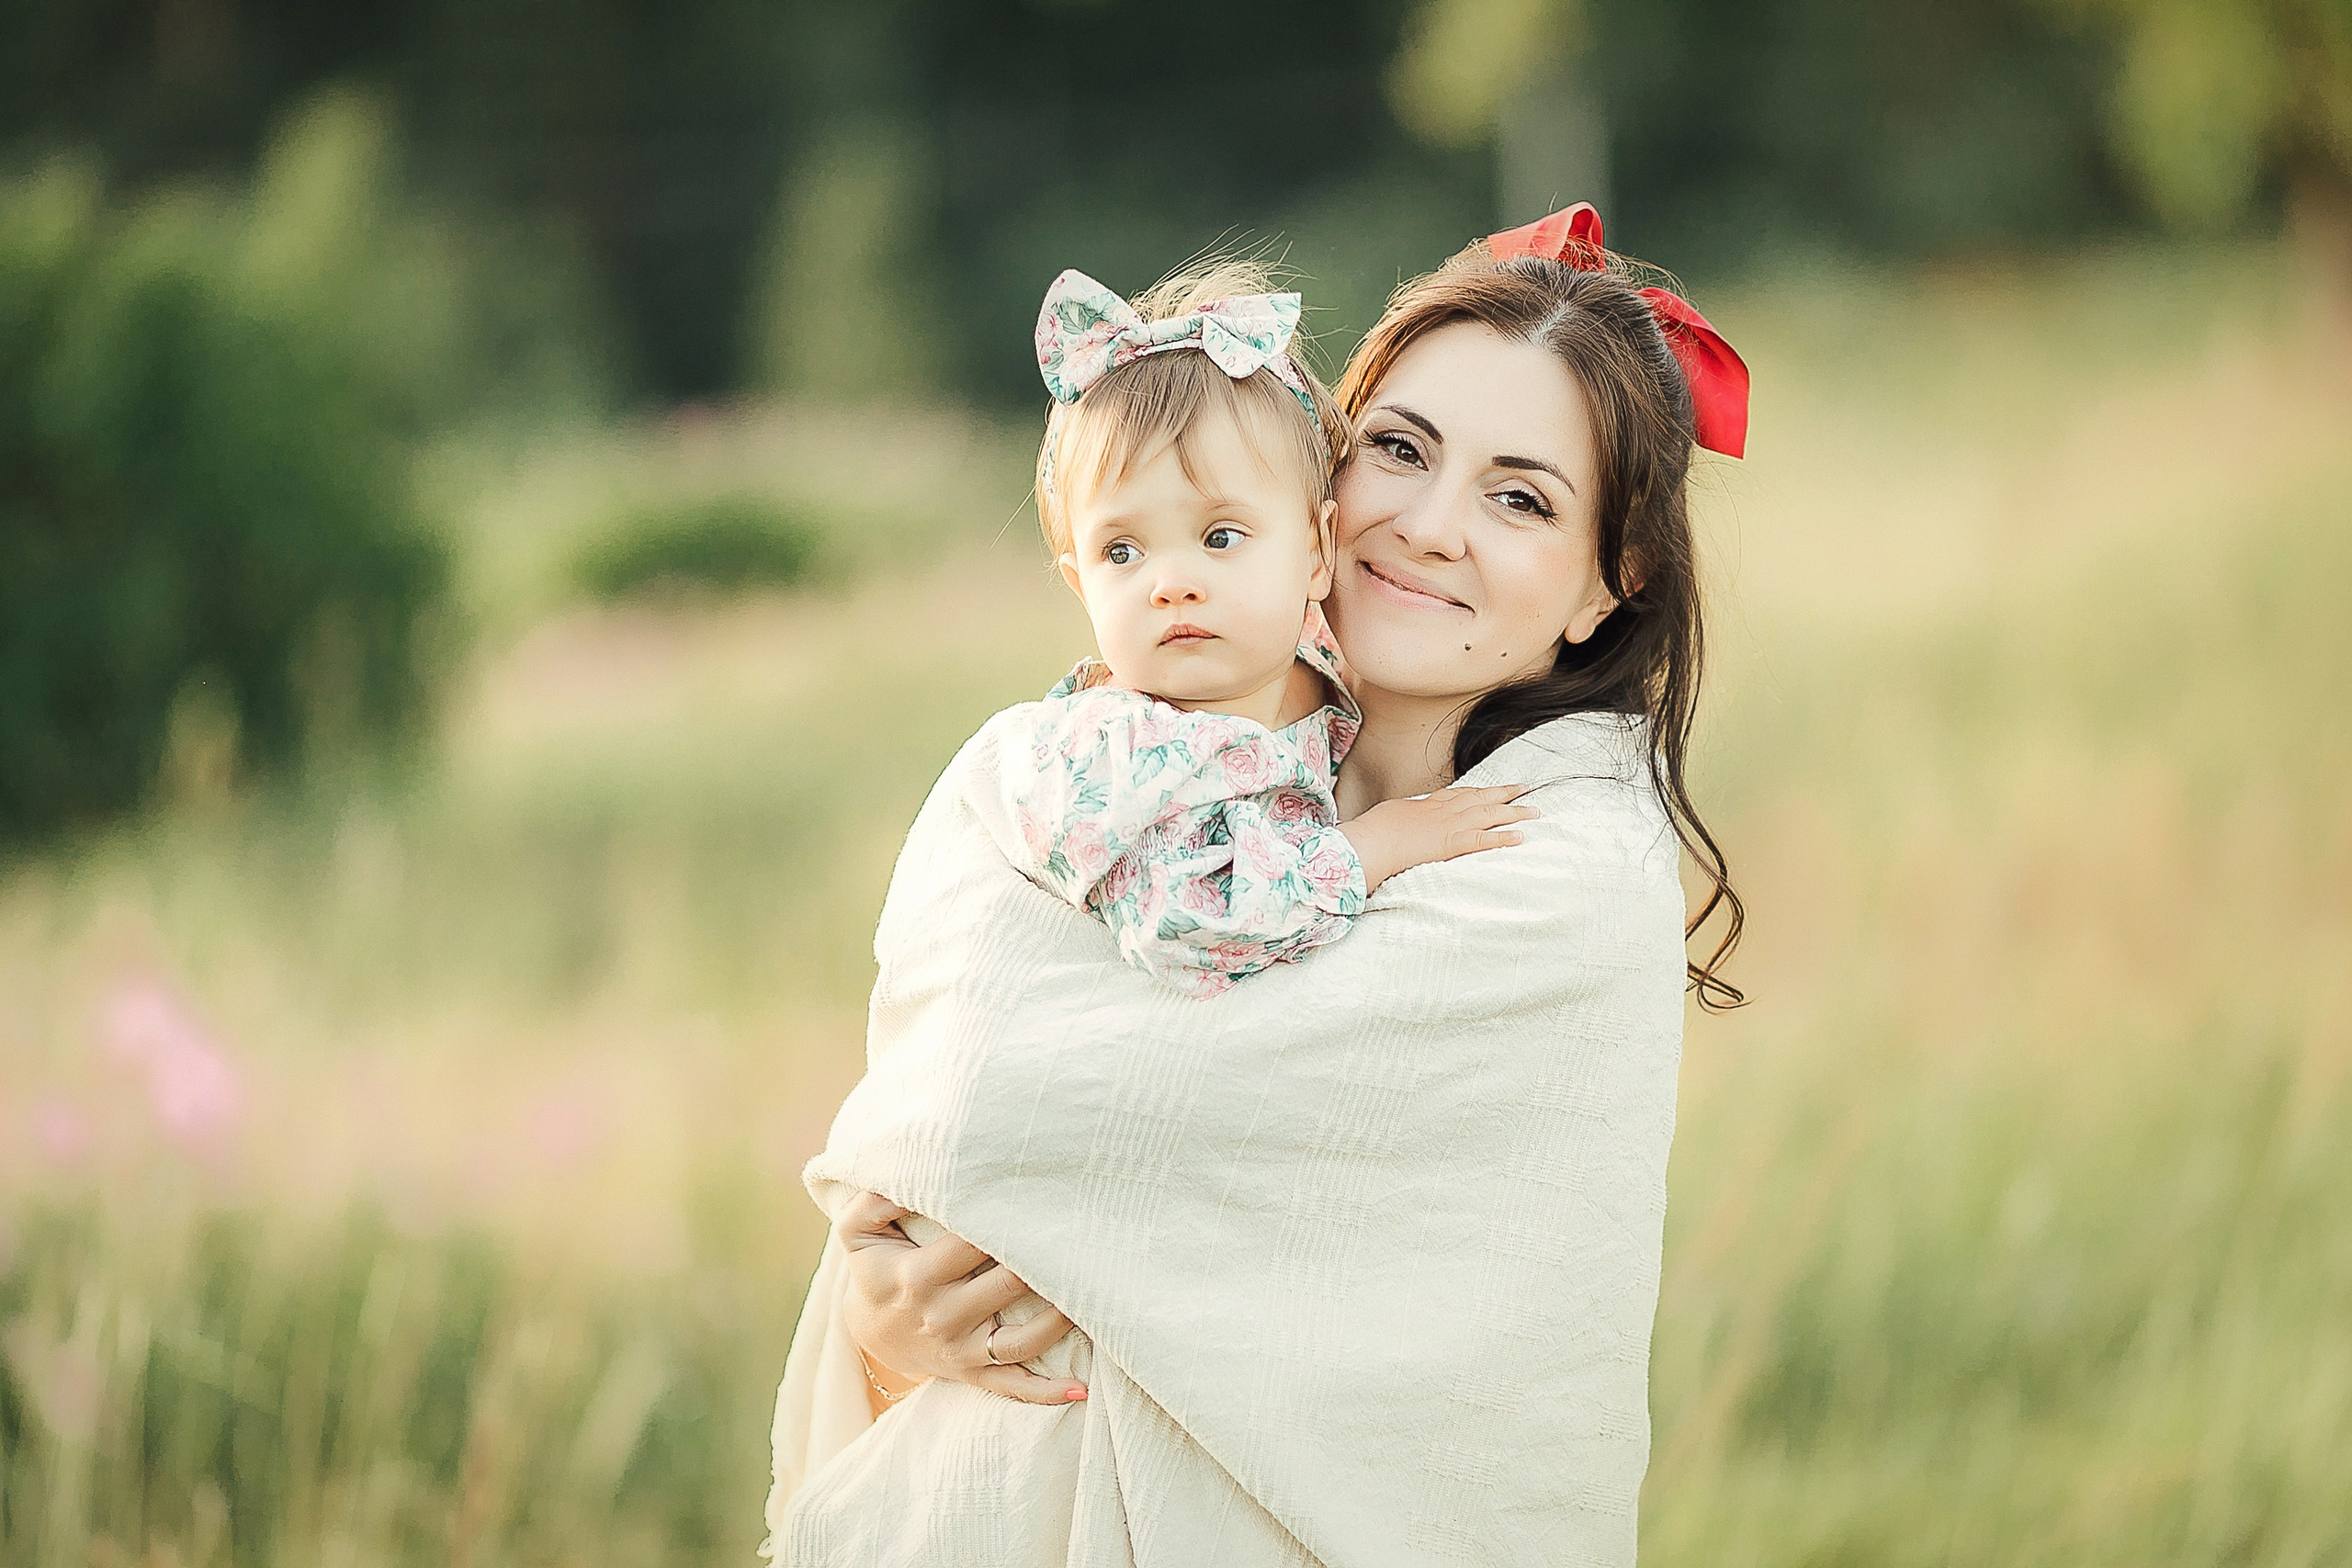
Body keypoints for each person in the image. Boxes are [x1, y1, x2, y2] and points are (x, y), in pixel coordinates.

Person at [763, 202, 1749, 1566]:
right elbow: (949, 1112)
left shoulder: (1555, 863)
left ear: (1610, 582)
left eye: (1520, 496)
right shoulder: (1102, 769)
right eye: (1397, 450)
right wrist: (878, 1317)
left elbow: (1028, 1106)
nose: (1427, 525)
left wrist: (993, 1172)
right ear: (1314, 483)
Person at [1009, 263, 1534, 998]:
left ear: (1317, 552)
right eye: (1121, 552)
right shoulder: (1119, 750)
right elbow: (1189, 929)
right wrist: (1378, 843)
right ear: (1081, 586)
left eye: (1220, 537)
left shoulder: (1306, 659)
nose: (1172, 584)